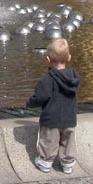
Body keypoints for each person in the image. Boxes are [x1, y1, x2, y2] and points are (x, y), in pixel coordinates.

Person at [26, 38, 82, 175]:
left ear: (48, 59)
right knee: (68, 140)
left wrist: (29, 103)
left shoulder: (47, 79)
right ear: (69, 58)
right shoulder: (74, 78)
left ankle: (45, 161)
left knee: (48, 141)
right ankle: (68, 163)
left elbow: (40, 97)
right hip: (69, 117)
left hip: (51, 118)